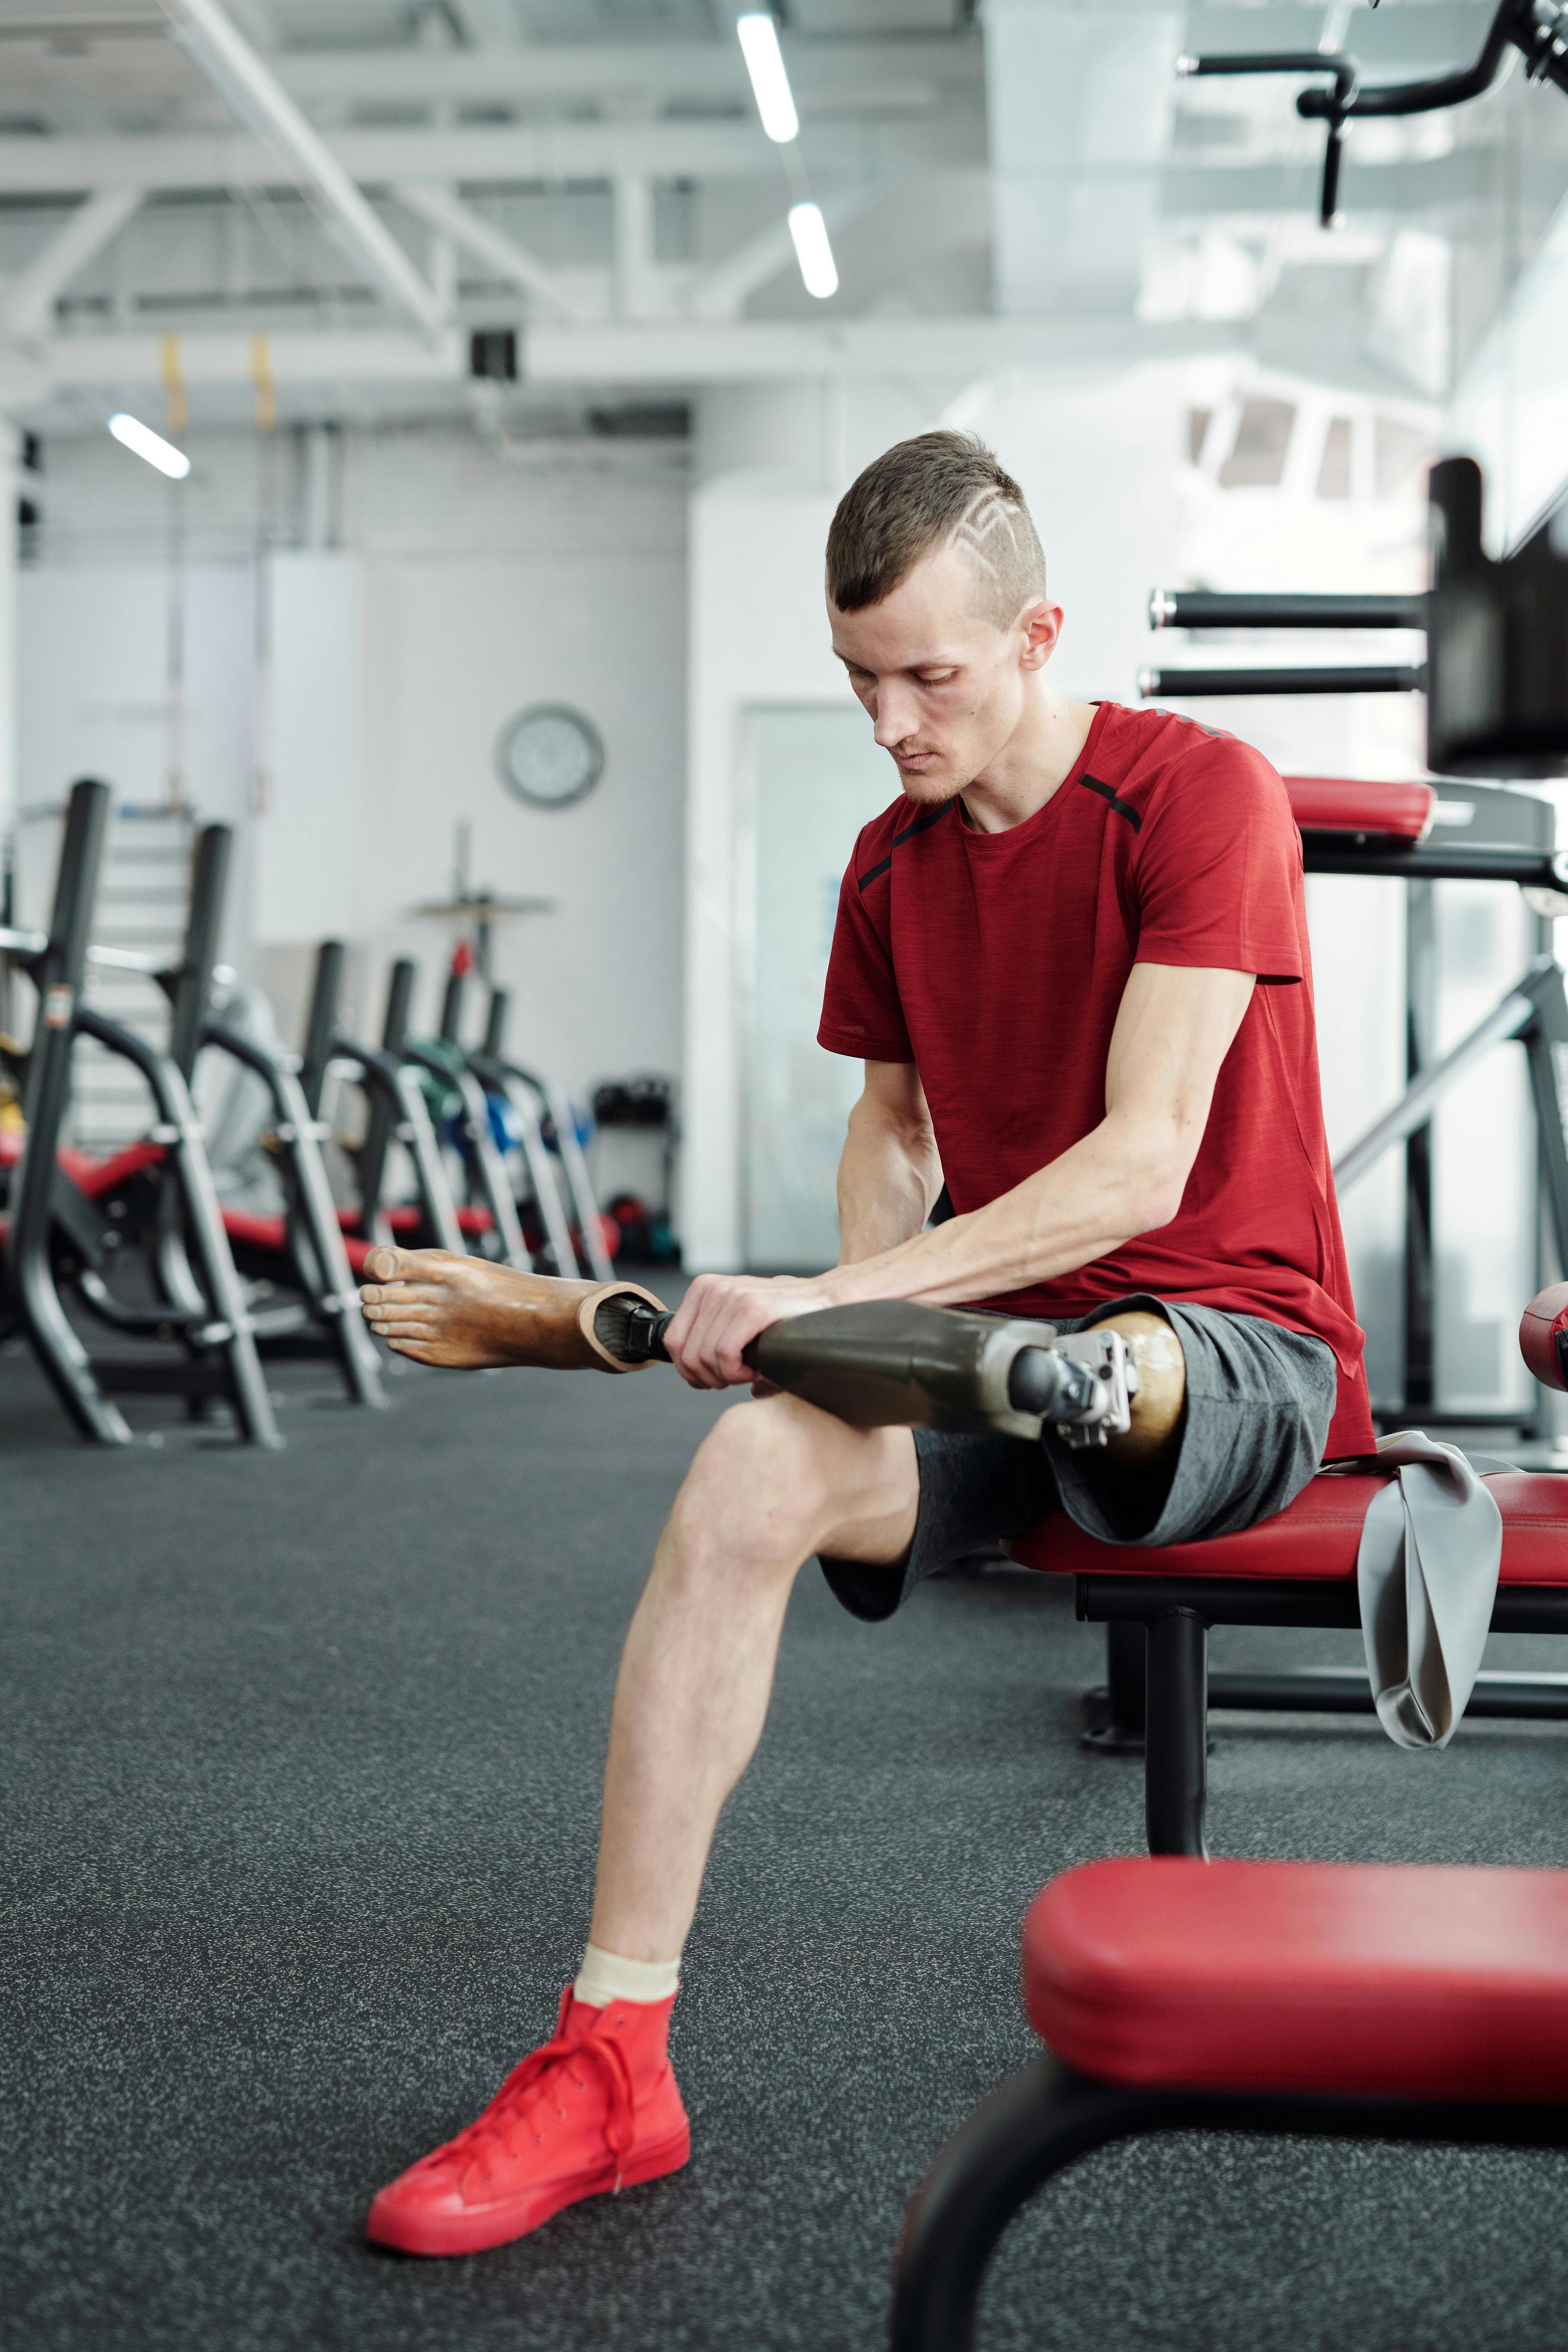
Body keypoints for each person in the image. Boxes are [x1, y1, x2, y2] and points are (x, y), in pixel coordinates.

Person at [356, 430, 1374, 2257]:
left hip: (1230, 1348)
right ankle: (611, 2064)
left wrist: (836, 1311)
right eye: (859, 679)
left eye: (932, 675)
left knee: (1129, 1355)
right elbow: (896, 1129)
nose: (891, 719)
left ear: (1040, 630)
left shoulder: (1201, 793)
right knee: (746, 1469)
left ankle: (1062, 1382)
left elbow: (1142, 1160)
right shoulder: (891, 865)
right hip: (995, 1341)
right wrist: (856, 1323)